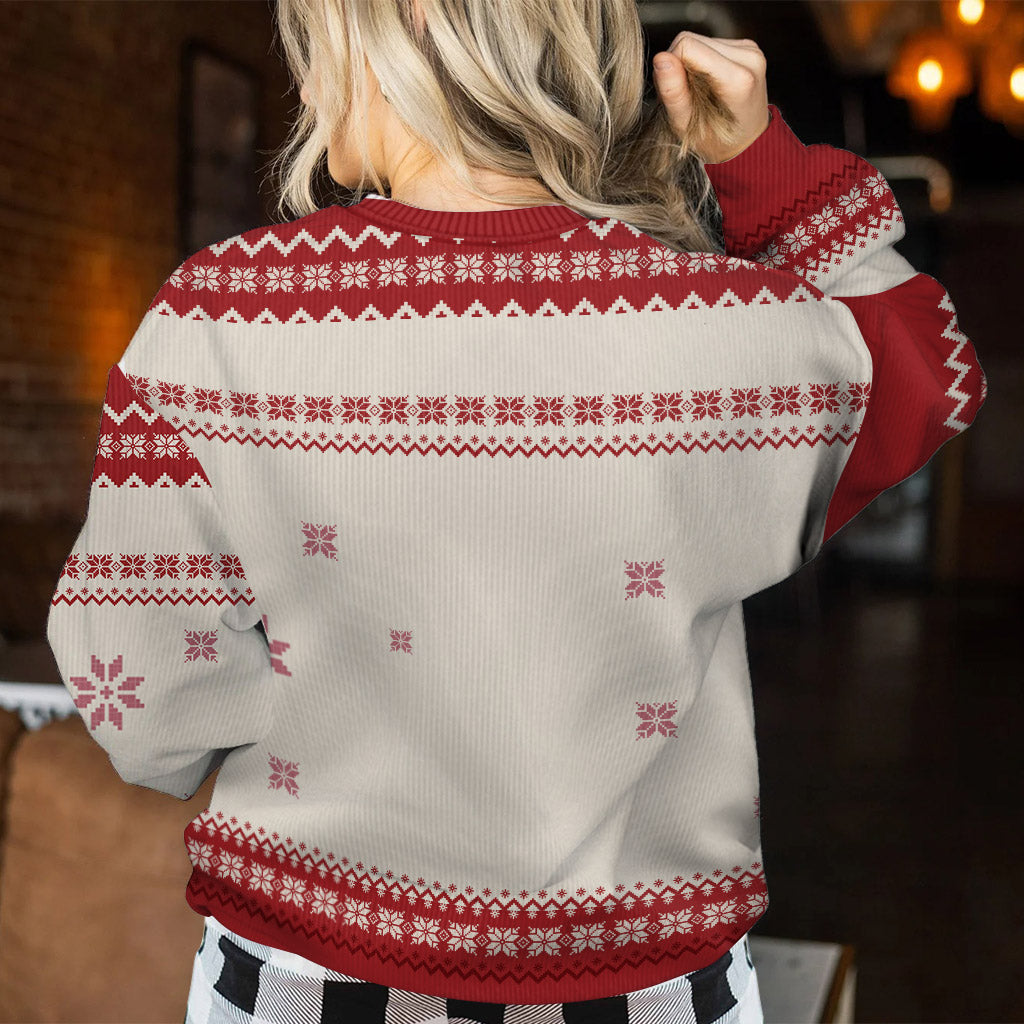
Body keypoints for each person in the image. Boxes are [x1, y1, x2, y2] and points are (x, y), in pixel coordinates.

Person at [45, 1, 986, 1022]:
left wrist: (327, 710)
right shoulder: (721, 327)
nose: (307, 87)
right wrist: (759, 162)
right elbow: (927, 375)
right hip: (646, 989)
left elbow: (145, 702)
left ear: (403, 28)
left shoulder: (217, 317)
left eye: (313, 46)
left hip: (301, 980)